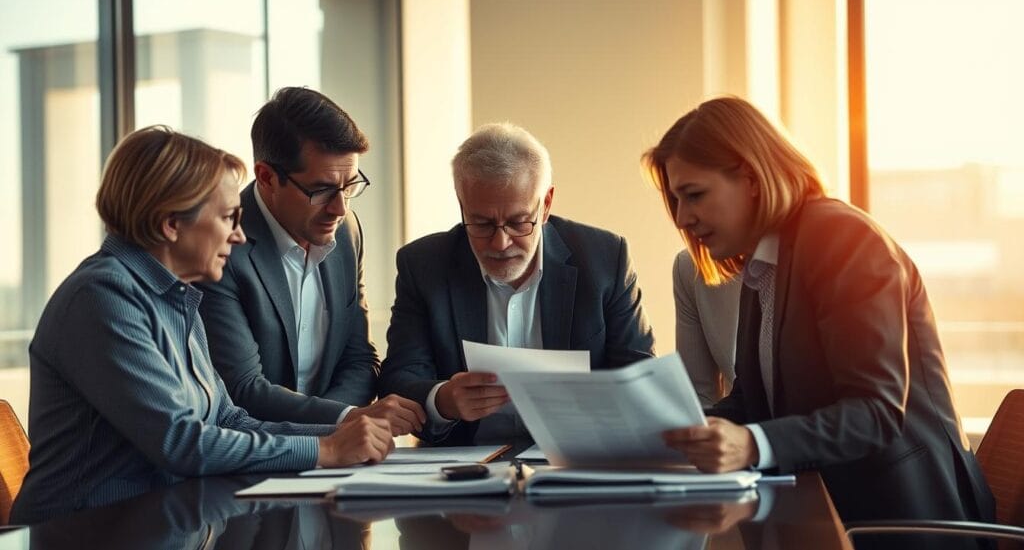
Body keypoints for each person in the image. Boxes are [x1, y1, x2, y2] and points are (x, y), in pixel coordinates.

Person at [11, 126, 394, 524]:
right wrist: (327, 451)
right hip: (85, 535)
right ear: (171, 224)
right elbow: (181, 442)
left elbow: (229, 419)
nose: (240, 236)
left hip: (160, 525)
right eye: (229, 217)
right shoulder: (103, 297)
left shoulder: (176, 295)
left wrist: (336, 436)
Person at [644, 97, 994, 528]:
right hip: (830, 510)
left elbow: (875, 413)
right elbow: (753, 399)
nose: (683, 218)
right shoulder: (765, 261)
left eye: (694, 195)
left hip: (904, 520)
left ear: (751, 177)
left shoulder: (843, 239)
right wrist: (659, 429)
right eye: (676, 201)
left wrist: (750, 445)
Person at [379, 123, 656, 444]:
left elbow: (641, 377)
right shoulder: (425, 264)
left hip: (581, 458)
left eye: (518, 222)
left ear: (547, 204)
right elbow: (398, 378)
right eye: (481, 223)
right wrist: (444, 400)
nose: (500, 243)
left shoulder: (604, 258)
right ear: (461, 204)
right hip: (466, 467)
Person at [197, 87, 424, 433]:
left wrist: (344, 425)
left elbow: (360, 358)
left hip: (333, 454)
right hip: (252, 458)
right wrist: (346, 419)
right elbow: (240, 389)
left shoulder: (346, 230)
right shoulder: (221, 246)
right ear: (267, 177)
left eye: (350, 186)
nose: (340, 207)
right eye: (321, 190)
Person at [673, 249, 741, 406]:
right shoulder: (691, 267)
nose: (683, 223)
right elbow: (699, 400)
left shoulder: (806, 254)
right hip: (737, 423)